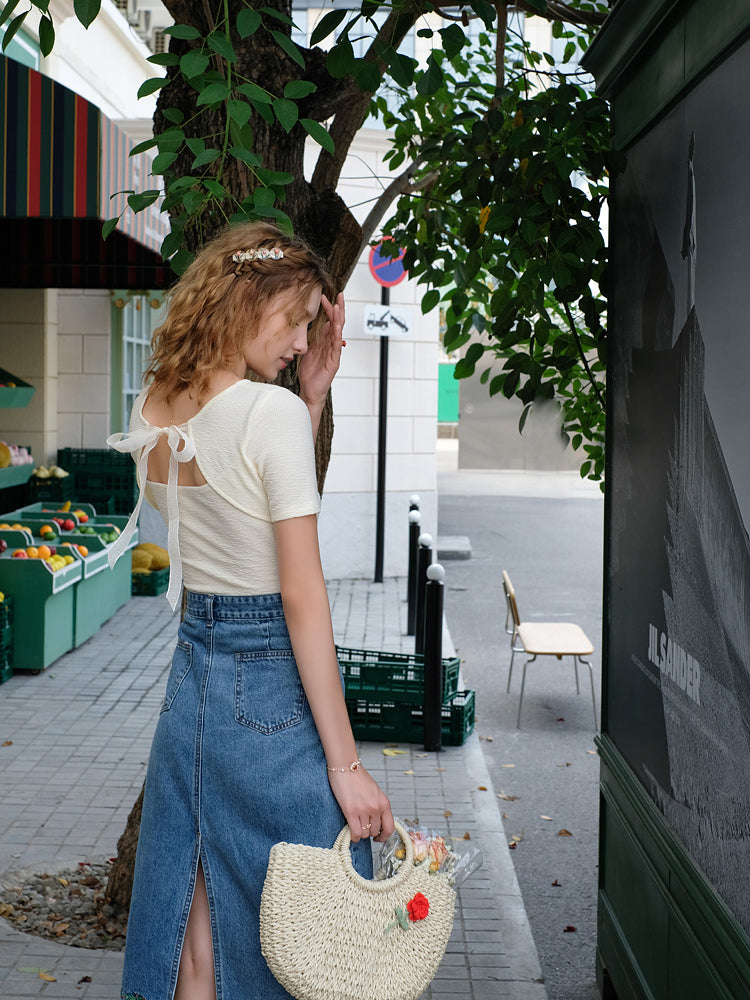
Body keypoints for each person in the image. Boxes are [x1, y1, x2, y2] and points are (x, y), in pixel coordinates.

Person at [107, 221, 395, 1000]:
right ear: (252, 299)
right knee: (306, 912)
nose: (305, 340)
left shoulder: (158, 401)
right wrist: (348, 766)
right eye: (298, 319)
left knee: (195, 924)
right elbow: (298, 592)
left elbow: (242, 512)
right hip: (267, 685)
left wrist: (310, 401)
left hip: (193, 678)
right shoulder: (264, 416)